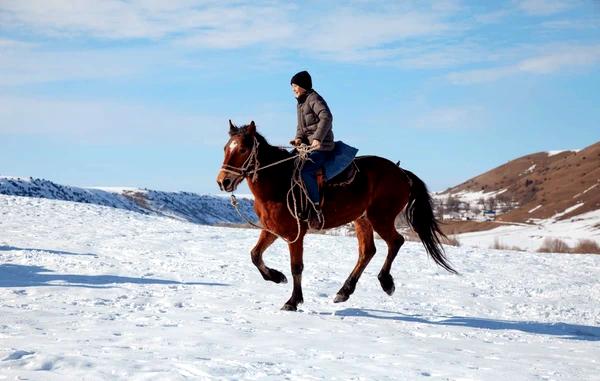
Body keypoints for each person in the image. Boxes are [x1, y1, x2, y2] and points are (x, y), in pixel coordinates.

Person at [289, 70, 335, 227]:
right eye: (292, 86)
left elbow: (326, 117)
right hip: (306, 147)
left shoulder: (314, 98)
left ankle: (315, 207)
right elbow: (301, 127)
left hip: (321, 147)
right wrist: (298, 138)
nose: (293, 89)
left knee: (306, 171)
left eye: (295, 85)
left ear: (303, 85)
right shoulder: (301, 102)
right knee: (288, 165)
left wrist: (317, 139)